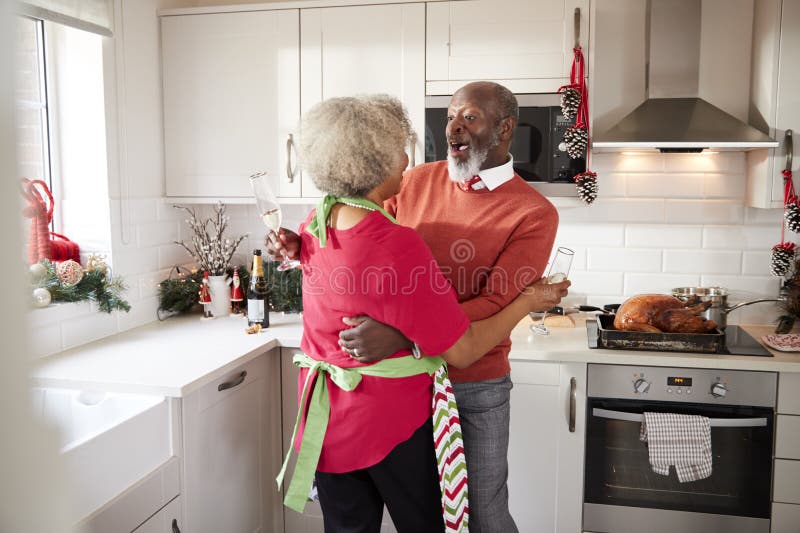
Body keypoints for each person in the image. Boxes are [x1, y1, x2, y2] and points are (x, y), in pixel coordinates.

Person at [271, 82, 560, 533]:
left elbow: (494, 302)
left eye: (470, 118)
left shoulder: (534, 212)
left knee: (482, 514)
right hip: (404, 384)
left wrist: (407, 337)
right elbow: (359, 227)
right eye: (450, 117)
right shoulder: (415, 180)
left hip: (472, 385)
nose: (454, 129)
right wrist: (301, 244)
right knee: (432, 519)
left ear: (506, 129)